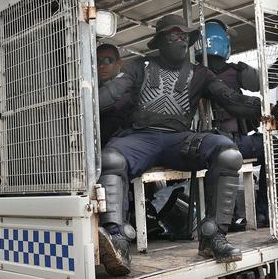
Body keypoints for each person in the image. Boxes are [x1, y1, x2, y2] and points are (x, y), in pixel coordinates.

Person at [97, 14, 264, 275]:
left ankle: (214, 236)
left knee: (229, 154)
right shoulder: (139, 66)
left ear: (190, 40)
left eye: (183, 36)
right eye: (172, 36)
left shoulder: (201, 73)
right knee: (111, 159)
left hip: (179, 140)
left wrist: (267, 108)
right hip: (142, 137)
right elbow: (111, 94)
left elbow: (231, 100)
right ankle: (116, 240)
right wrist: (82, 100)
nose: (178, 40)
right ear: (160, 41)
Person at [197, 19, 278, 226]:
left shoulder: (191, 73)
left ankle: (232, 216)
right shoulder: (234, 71)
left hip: (199, 146)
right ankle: (265, 211)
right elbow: (269, 80)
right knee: (275, 149)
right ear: (224, 44)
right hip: (232, 143)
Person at [96, 44, 131, 147]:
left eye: (107, 60)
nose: (101, 66)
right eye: (97, 62)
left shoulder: (127, 83)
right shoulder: (96, 87)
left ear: (119, 64)